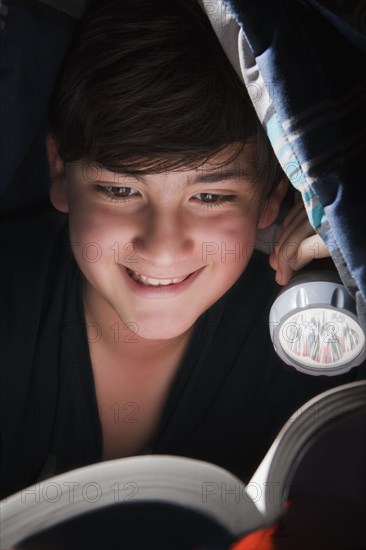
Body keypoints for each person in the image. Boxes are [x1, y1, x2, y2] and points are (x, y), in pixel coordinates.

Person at [0, 0, 365, 500]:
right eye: (120, 190)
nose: (163, 247)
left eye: (210, 196)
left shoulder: (323, 338)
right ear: (60, 172)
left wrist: (353, 247)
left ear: (272, 197)